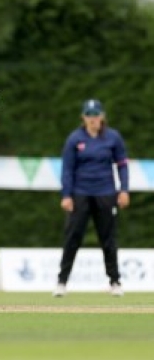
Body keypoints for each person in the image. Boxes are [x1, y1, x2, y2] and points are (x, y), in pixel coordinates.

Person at [53, 99, 129, 297]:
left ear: (102, 116)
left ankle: (115, 281)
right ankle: (62, 282)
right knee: (72, 237)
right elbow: (67, 170)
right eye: (89, 115)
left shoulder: (113, 138)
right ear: (83, 117)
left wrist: (124, 190)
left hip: (105, 193)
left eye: (96, 115)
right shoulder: (75, 139)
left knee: (108, 239)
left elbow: (122, 165)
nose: (93, 119)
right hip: (80, 194)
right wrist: (66, 195)